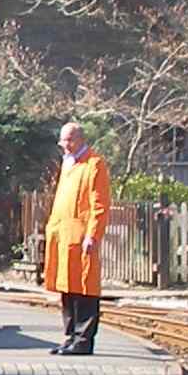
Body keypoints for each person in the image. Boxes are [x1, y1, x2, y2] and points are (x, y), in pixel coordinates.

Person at [44, 121, 112, 355]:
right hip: (63, 235)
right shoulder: (67, 164)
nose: (64, 146)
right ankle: (70, 336)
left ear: (80, 139)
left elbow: (99, 204)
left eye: (69, 141)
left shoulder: (94, 165)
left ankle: (83, 340)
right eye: (62, 141)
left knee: (84, 287)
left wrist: (93, 235)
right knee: (66, 287)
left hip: (81, 236)